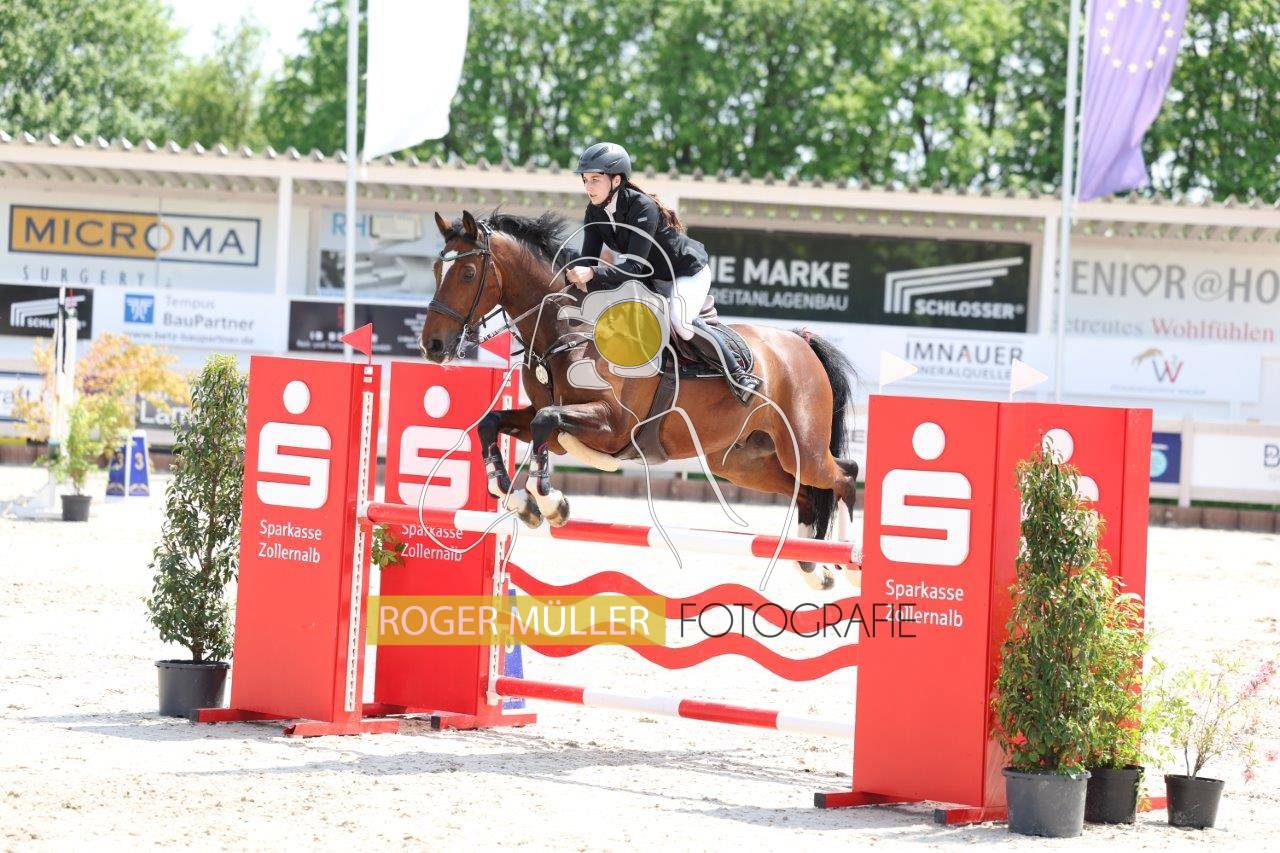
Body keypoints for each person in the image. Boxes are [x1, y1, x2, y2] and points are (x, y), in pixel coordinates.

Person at [564, 141, 761, 402]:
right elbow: (587, 259)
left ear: (616, 180)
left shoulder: (642, 206)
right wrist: (570, 273)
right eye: (585, 180)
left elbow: (635, 266)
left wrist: (593, 273)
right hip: (651, 279)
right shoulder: (594, 212)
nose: (588, 187)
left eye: (595, 180)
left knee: (681, 322)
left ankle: (739, 376)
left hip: (686, 273)